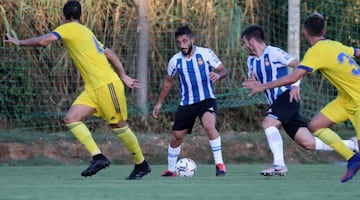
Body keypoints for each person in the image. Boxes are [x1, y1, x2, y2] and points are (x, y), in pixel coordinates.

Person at [4, 0, 150, 180]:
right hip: (93, 89)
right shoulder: (87, 32)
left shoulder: (68, 28)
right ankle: (98, 157)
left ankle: (141, 164)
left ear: (63, 17)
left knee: (118, 126)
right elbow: (109, 52)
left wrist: (19, 42)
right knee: (71, 118)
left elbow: (43, 41)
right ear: (81, 16)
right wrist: (123, 74)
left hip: (106, 85)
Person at [242, 13, 360, 183]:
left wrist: (292, 87)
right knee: (310, 139)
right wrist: (254, 83)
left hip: (288, 97)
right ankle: (351, 149)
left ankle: (279, 165)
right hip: (346, 98)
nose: (244, 46)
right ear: (324, 30)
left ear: (304, 32)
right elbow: (356, 52)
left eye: (245, 42)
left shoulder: (282, 52)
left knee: (268, 123)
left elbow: (295, 72)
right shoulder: (334, 45)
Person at [152, 26, 228, 177]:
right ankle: (171, 170)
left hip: (206, 99)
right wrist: (159, 103)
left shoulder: (206, 53)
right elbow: (168, 82)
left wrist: (219, 75)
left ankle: (220, 165)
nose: (182, 45)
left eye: (185, 41)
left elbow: (223, 69)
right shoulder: (175, 61)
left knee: (208, 125)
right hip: (186, 103)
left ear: (192, 40)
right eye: (179, 42)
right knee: (177, 137)